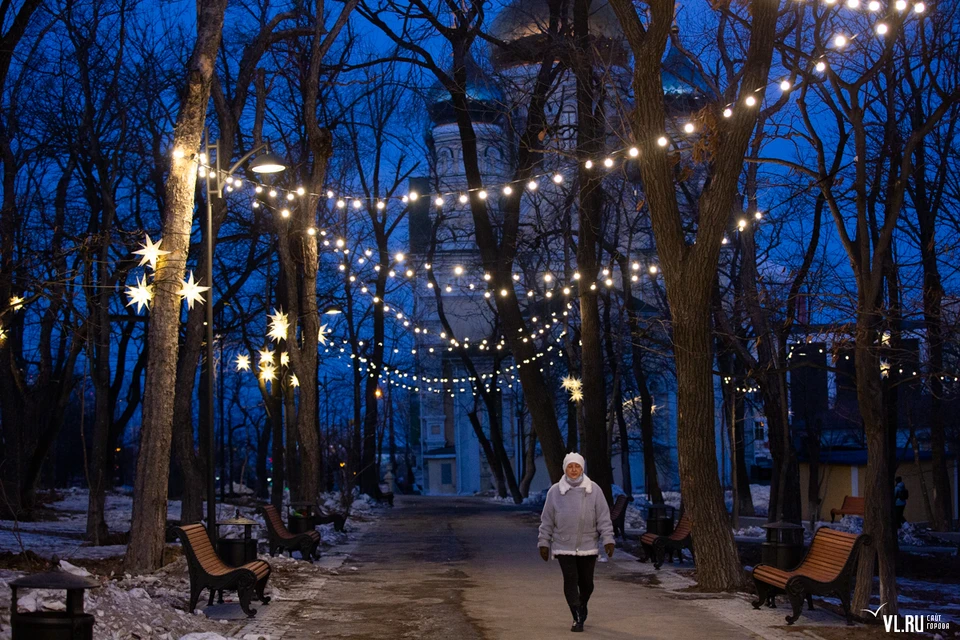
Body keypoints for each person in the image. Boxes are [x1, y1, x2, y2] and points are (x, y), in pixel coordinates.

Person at [538, 452, 615, 633]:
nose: (574, 470)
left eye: (577, 466)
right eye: (570, 467)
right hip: (563, 544)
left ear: (582, 468)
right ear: (565, 469)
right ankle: (576, 616)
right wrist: (544, 542)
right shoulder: (555, 491)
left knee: (587, 584)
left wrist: (608, 539)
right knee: (571, 580)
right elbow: (547, 520)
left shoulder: (593, 489)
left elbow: (603, 517)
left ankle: (582, 604)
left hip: (588, 544)